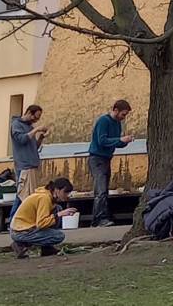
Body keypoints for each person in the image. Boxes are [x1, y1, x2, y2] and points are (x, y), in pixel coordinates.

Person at [88, 99, 134, 227]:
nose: (123, 118)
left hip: (107, 158)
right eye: (123, 114)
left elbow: (115, 143)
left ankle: (103, 215)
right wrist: (120, 139)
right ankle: (98, 219)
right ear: (115, 110)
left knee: (104, 190)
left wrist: (125, 142)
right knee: (100, 190)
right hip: (97, 158)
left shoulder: (117, 124)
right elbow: (102, 140)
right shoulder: (104, 121)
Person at [9, 177, 77, 259]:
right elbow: (41, 223)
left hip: (24, 227)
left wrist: (58, 213)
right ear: (57, 190)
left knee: (57, 208)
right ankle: (20, 244)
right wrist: (58, 215)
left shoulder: (48, 197)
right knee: (58, 236)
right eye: (65, 192)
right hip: (20, 231)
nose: (67, 195)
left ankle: (46, 248)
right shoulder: (44, 198)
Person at [8, 105, 50, 222]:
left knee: (26, 195)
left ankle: (18, 220)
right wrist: (36, 130)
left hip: (32, 164)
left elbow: (33, 147)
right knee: (22, 194)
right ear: (29, 113)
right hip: (23, 165)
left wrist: (40, 138)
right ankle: (13, 219)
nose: (36, 121)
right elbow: (21, 140)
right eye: (35, 117)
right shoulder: (16, 125)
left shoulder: (29, 127)